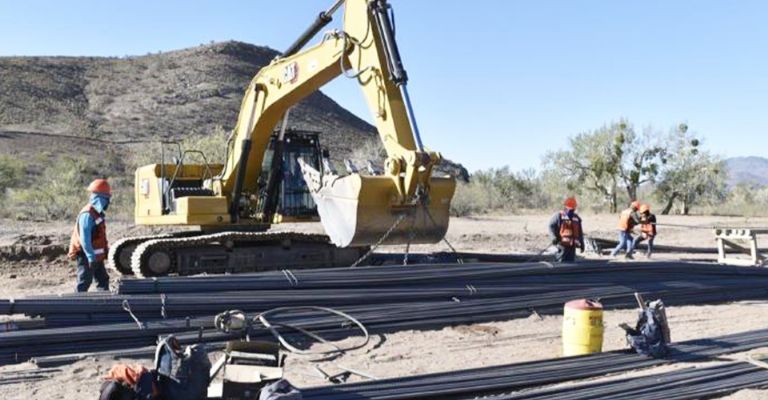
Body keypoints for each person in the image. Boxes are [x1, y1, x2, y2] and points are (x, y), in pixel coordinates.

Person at [67, 179, 111, 292]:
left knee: (103, 280)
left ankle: (103, 304)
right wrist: (91, 257)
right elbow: (84, 239)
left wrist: (104, 252)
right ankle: (77, 305)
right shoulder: (87, 215)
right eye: (107, 199)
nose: (108, 202)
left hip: (95, 256)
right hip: (87, 255)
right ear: (100, 198)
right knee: (84, 282)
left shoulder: (97, 213)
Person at [548, 197, 584, 263]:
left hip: (572, 245)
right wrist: (553, 237)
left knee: (571, 262)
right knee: (560, 260)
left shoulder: (576, 218)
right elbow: (551, 226)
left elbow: (580, 232)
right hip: (561, 244)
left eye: (572, 207)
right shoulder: (558, 215)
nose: (571, 209)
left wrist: (582, 244)